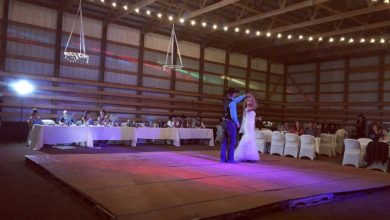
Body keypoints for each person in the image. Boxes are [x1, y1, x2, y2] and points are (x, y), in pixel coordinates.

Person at [220, 88, 247, 163]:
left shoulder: (226, 101)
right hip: (230, 123)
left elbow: (237, 100)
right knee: (232, 141)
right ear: (233, 94)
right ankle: (230, 159)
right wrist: (237, 123)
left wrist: (243, 96)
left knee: (225, 141)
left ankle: (222, 158)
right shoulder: (232, 103)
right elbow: (233, 116)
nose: (236, 94)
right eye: (235, 93)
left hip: (224, 122)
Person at [234, 94, 259, 162]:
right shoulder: (247, 109)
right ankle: (246, 156)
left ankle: (247, 155)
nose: (250, 101)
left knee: (249, 139)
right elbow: (256, 106)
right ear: (246, 102)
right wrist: (253, 98)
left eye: (251, 100)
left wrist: (257, 118)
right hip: (248, 125)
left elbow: (251, 117)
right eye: (248, 100)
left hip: (251, 124)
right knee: (248, 138)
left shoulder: (249, 109)